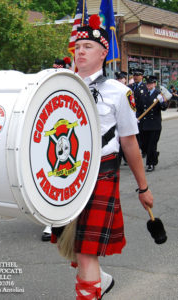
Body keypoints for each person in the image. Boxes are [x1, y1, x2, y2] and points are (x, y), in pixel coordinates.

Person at [51, 14, 153, 299]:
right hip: (66, 173)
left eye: (88, 46)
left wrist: (143, 188)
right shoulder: (61, 85)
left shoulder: (119, 93)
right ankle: (100, 279)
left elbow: (130, 143)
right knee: (74, 245)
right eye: (78, 46)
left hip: (100, 172)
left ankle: (90, 290)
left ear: (103, 53)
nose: (80, 50)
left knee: (85, 251)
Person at [41, 56, 72, 242]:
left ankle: (62, 219)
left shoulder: (71, 84)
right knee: (50, 176)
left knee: (66, 177)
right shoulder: (46, 84)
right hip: (51, 137)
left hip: (68, 138)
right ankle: (50, 221)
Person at [137, 75, 168, 172]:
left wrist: (162, 101)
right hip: (144, 124)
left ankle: (150, 163)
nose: (148, 85)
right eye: (147, 83)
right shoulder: (144, 94)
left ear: (154, 84)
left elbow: (164, 107)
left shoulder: (159, 95)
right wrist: (137, 118)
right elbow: (140, 108)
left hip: (154, 125)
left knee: (151, 145)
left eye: (150, 83)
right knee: (144, 145)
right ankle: (154, 155)